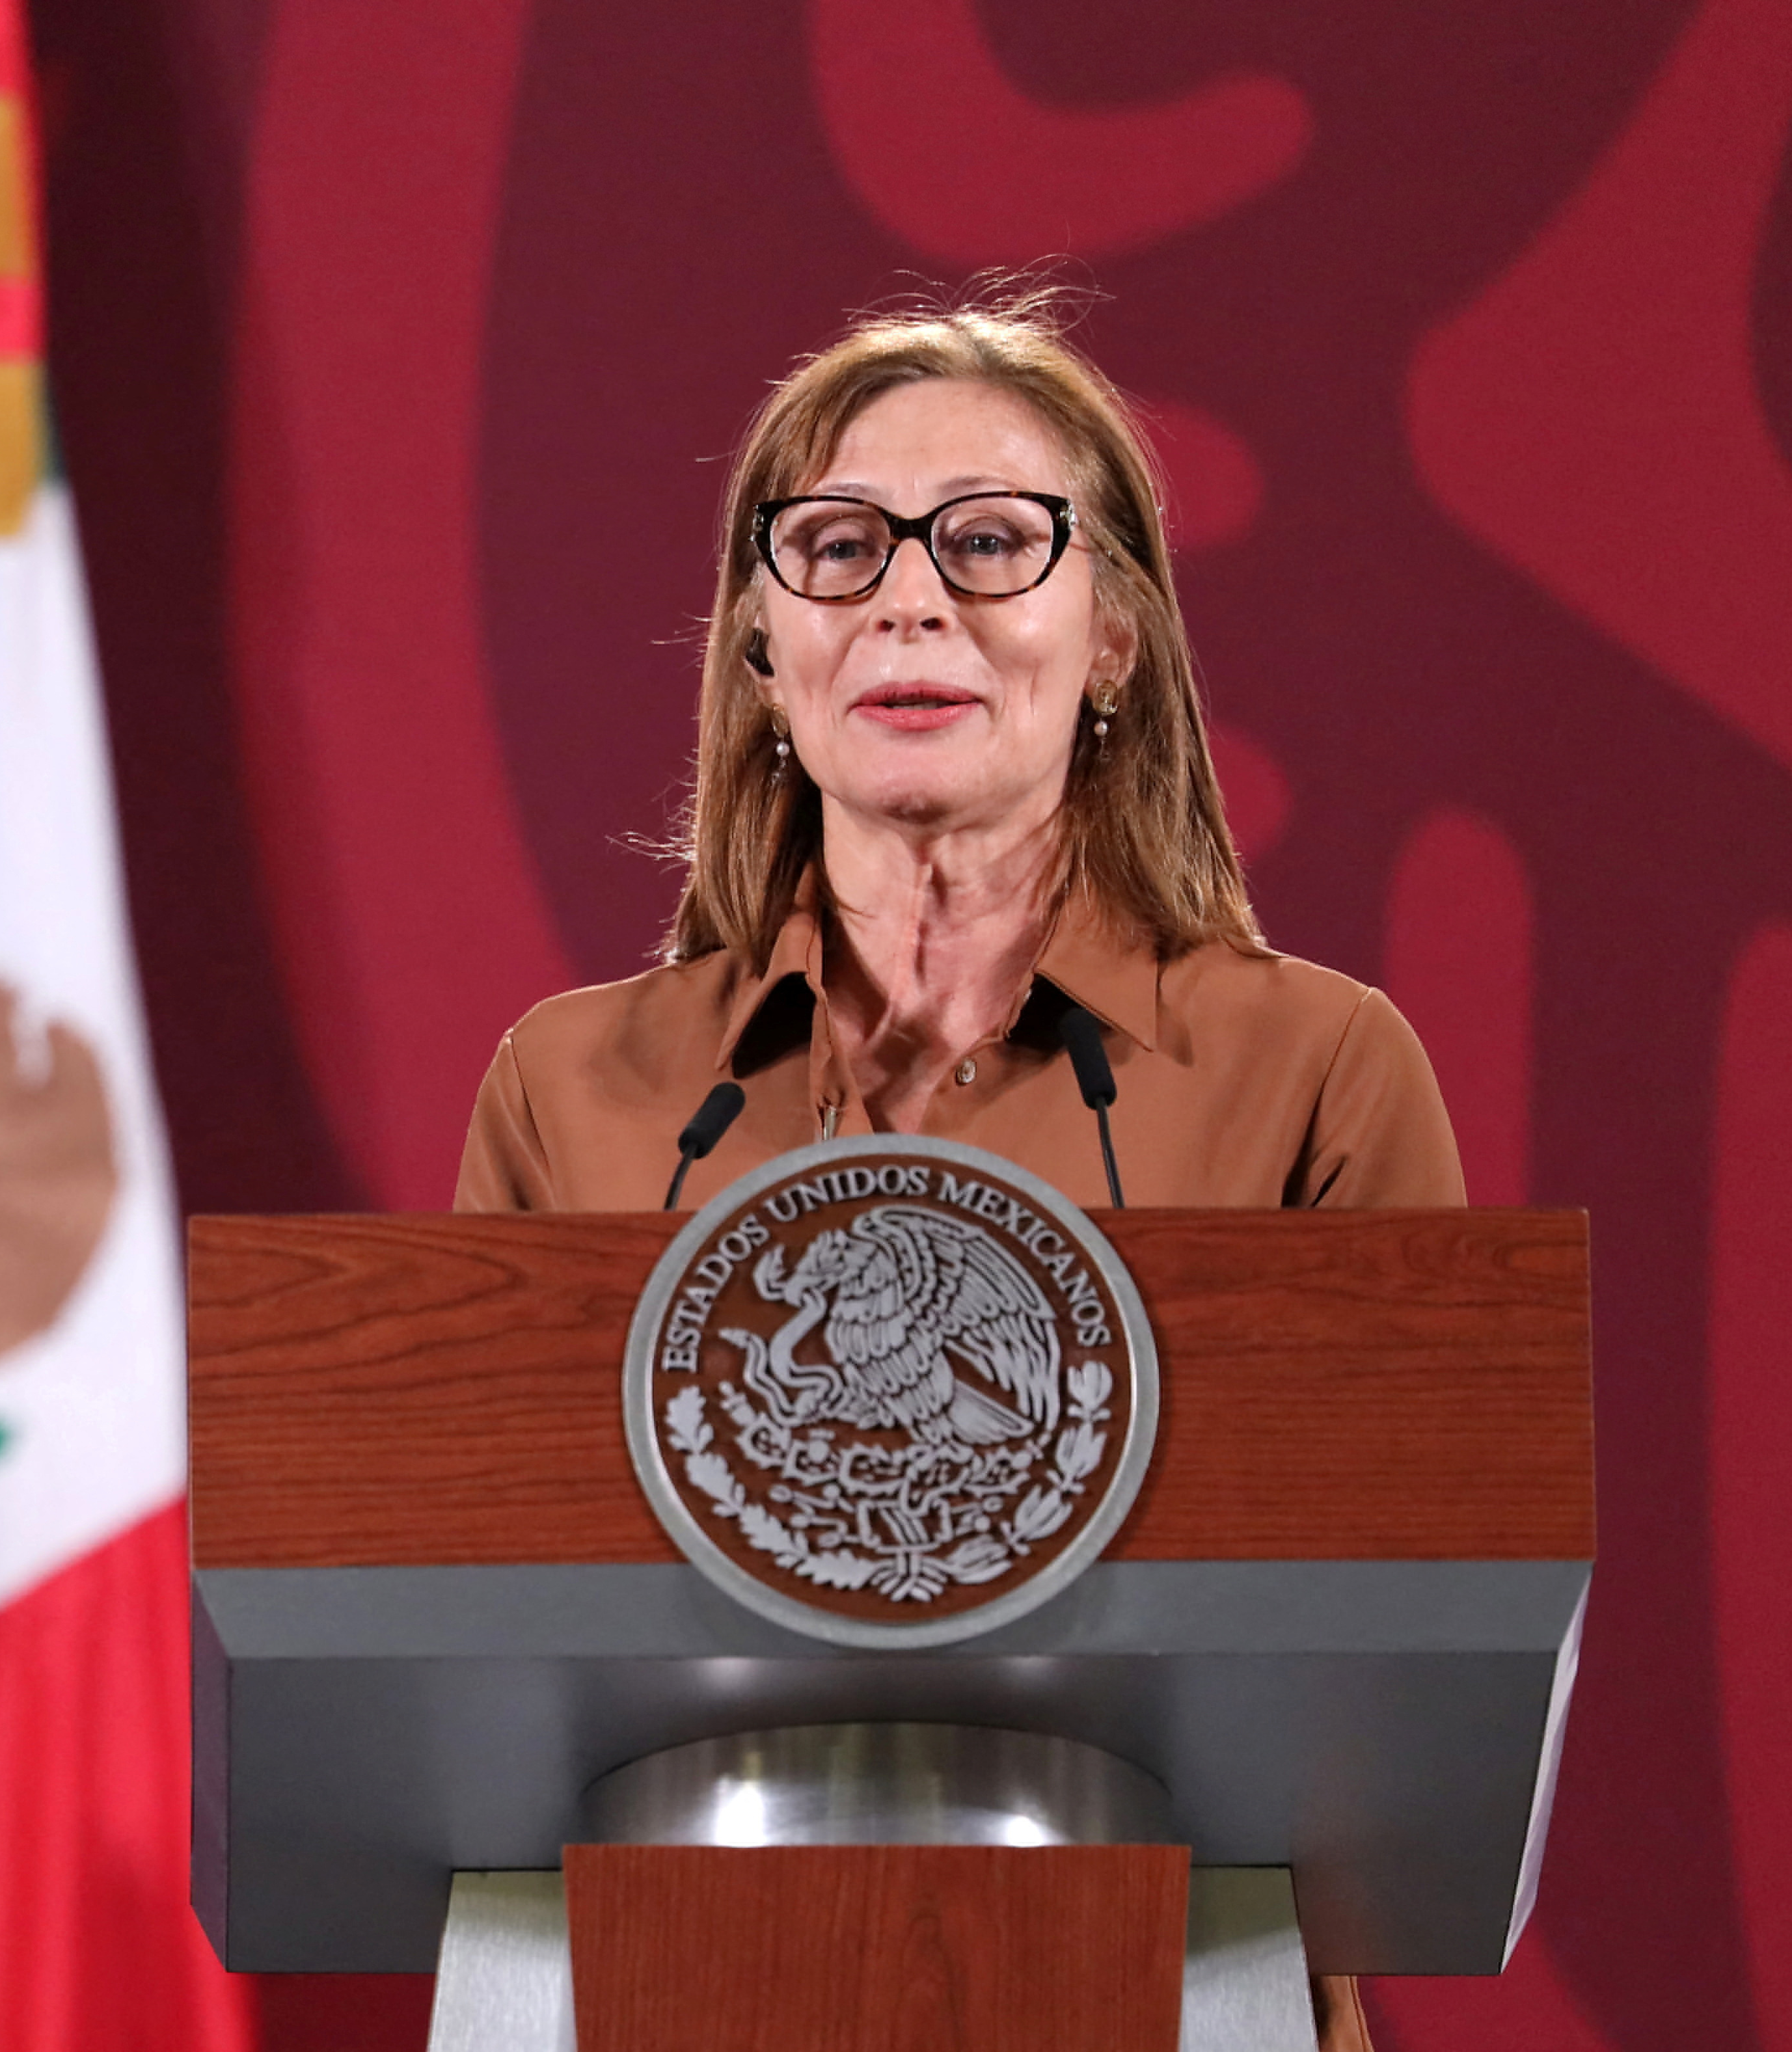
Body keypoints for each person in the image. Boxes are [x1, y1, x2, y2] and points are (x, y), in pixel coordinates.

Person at [452, 295, 1460, 2052]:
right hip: (665, 1976)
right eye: (837, 548)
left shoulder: (1314, 1069)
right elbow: (449, 1615)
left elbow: (1427, 1631)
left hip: (1170, 1972)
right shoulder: (577, 1086)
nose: (909, 596)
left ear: (1117, 635)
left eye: (988, 541)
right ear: (766, 646)